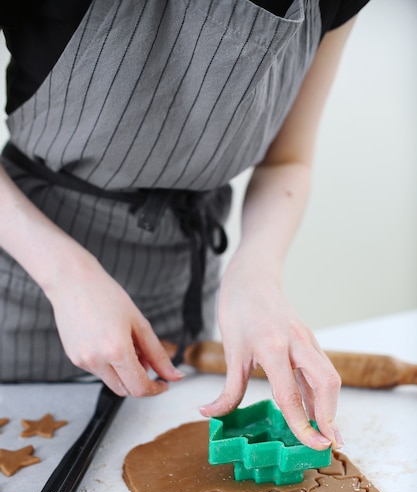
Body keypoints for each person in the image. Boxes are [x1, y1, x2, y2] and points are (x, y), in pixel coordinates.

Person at [0, 0, 370, 451]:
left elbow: (287, 160)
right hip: (23, 279)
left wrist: (255, 272)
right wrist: (64, 276)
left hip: (184, 284)